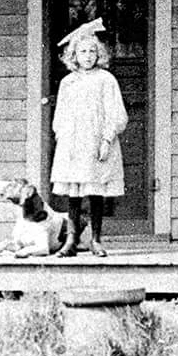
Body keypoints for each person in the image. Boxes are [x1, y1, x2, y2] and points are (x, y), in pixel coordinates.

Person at [49, 18, 129, 257]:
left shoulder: (106, 80)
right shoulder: (68, 82)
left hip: (96, 143)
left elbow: (116, 113)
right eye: (82, 51)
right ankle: (71, 241)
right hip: (73, 145)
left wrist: (106, 140)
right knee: (74, 193)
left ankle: (95, 239)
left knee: (95, 191)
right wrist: (62, 139)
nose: (87, 56)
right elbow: (60, 116)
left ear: (99, 54)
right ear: (74, 55)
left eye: (92, 51)